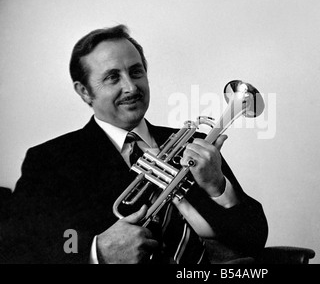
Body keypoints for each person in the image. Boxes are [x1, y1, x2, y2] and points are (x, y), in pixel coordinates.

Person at [4, 25, 268, 264]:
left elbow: (255, 238)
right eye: (112, 77)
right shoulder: (51, 160)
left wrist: (217, 188)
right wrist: (95, 251)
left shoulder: (195, 143)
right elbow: (18, 244)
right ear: (84, 91)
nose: (131, 87)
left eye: (136, 71)